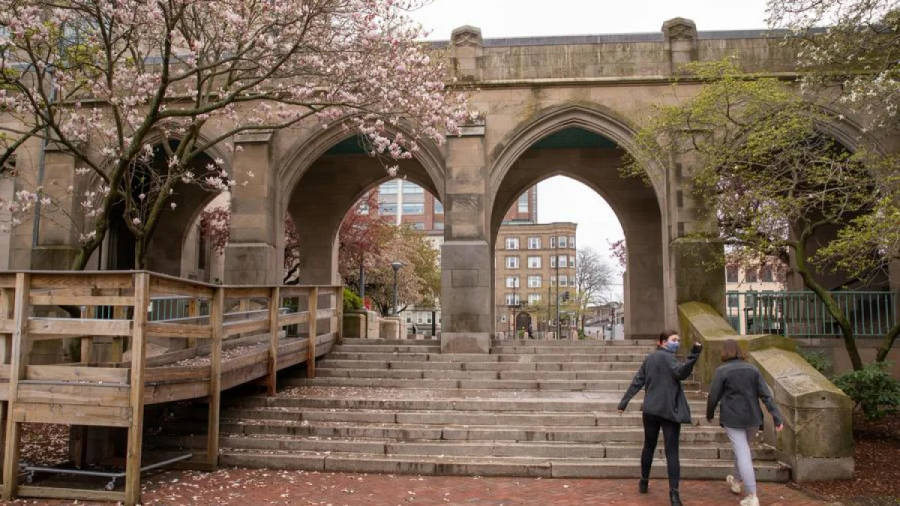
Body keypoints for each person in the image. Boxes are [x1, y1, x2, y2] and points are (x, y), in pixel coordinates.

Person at [618, 330, 702, 506]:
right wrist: (694, 354)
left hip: (650, 410)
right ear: (663, 342)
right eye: (674, 340)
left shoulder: (650, 359)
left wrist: (624, 402)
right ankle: (674, 494)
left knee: (649, 446)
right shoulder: (669, 358)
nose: (677, 343)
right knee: (672, 452)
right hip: (669, 410)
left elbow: (637, 381)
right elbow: (681, 373)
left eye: (678, 340)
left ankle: (644, 480)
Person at [706, 340, 784, 506]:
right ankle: (736, 481)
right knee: (742, 449)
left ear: (725, 352)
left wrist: (710, 413)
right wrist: (777, 417)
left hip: (733, 418)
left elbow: (713, 396)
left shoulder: (722, 371)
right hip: (752, 418)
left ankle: (752, 495)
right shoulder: (752, 369)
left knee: (742, 453)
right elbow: (766, 395)